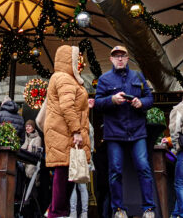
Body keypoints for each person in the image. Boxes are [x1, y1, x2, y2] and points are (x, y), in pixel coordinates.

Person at [93, 44, 155, 218]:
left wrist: (141, 103)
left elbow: (150, 98)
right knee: (115, 171)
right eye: (116, 56)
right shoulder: (104, 79)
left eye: (123, 55)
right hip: (114, 133)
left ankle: (148, 209)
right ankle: (118, 210)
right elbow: (97, 104)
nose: (119, 58)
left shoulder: (138, 76)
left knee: (144, 168)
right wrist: (111, 99)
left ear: (128, 58)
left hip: (137, 131)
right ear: (111, 59)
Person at [44, 45, 90, 218]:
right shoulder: (64, 78)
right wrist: (76, 131)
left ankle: (57, 212)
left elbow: (71, 104)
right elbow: (67, 106)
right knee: (63, 175)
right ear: (68, 59)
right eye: (75, 58)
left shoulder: (65, 78)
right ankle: (55, 213)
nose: (77, 62)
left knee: (68, 176)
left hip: (62, 133)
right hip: (64, 134)